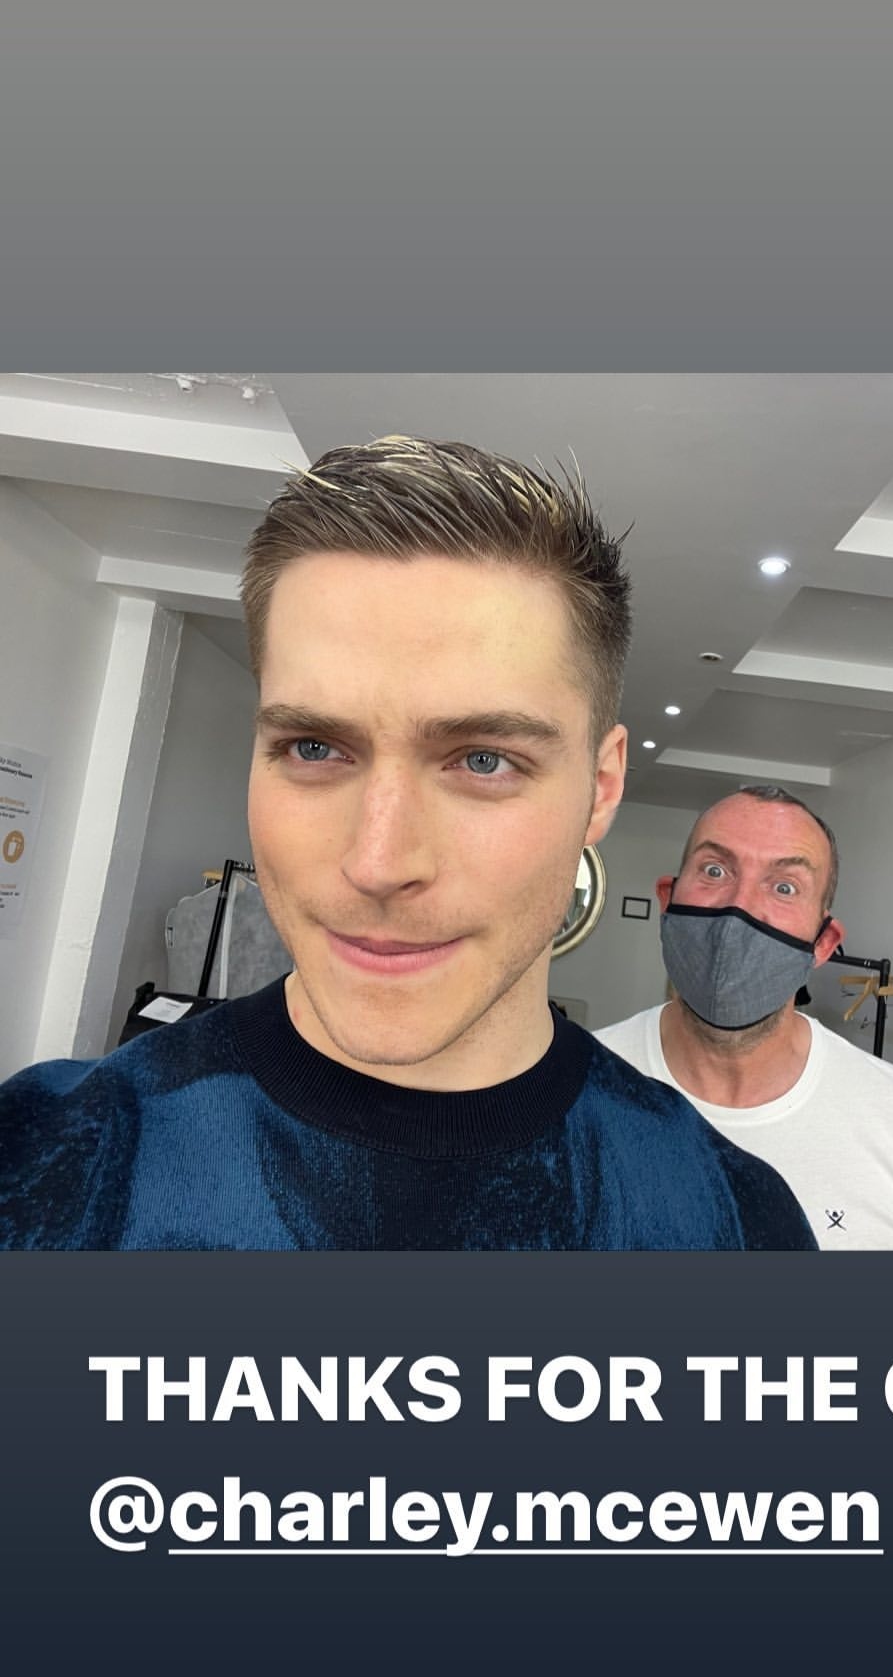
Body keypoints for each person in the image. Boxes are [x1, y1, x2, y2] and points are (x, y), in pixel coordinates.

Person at [0, 438, 815, 1253]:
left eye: (484, 760)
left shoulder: (736, 1224)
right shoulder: (40, 1160)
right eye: (315, 748)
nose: (378, 863)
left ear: (600, 789)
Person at [597, 785, 893, 1250]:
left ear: (823, 943)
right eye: (715, 870)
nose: (740, 908)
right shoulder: (567, 1088)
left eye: (784, 887)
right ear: (667, 900)